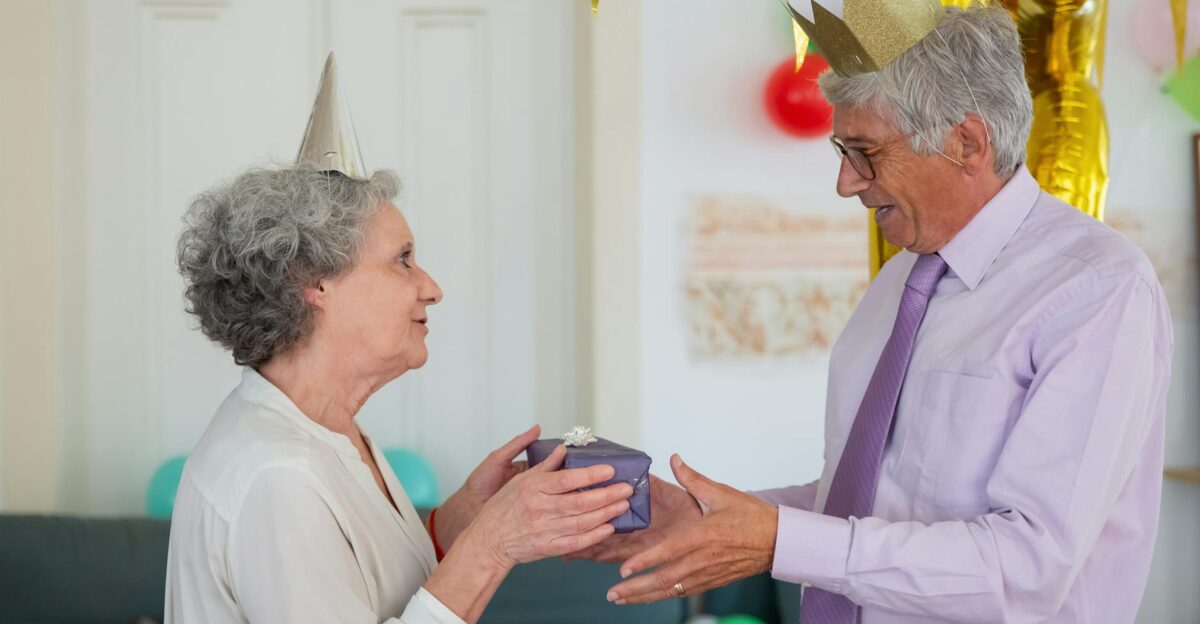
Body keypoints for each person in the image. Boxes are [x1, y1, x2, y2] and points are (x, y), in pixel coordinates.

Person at [590, 5, 1173, 623]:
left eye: (865, 151)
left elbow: (1026, 569)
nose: (846, 182)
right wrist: (712, 517)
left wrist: (777, 541)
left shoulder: (1097, 288)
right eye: (843, 150)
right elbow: (869, 501)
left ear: (966, 143)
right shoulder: (901, 279)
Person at [164, 54, 632, 624]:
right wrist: (493, 544)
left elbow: (369, 586)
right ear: (313, 281)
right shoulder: (278, 476)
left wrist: (457, 522)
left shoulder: (321, 430)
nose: (431, 289)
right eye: (402, 261)